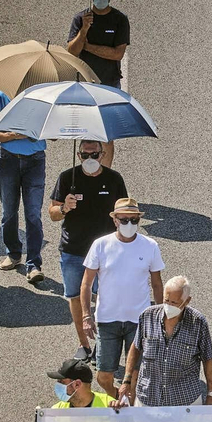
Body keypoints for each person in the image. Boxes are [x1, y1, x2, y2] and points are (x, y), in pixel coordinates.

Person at [49, 141, 128, 361]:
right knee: (75, 297)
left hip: (106, 252)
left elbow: (124, 212)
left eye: (94, 155)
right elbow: (52, 213)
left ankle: (103, 345)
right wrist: (64, 207)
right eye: (85, 155)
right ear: (78, 155)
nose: (90, 159)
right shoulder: (67, 178)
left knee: (106, 298)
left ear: (103, 154)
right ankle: (84, 345)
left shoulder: (114, 179)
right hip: (74, 249)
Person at [81, 198, 164, 398]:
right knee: (103, 377)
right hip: (107, 320)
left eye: (134, 220)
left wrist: (160, 315)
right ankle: (119, 398)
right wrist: (86, 316)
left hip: (139, 321)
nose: (129, 224)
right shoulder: (100, 245)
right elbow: (86, 283)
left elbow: (157, 284)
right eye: (125, 220)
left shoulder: (150, 246)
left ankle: (128, 409)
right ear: (115, 220)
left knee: (135, 376)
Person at [119, 275, 212, 407]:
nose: (168, 306)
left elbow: (207, 359)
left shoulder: (198, 322)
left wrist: (211, 394)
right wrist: (127, 380)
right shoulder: (147, 316)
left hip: (184, 401)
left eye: (174, 303)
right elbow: (135, 348)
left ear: (187, 301)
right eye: (166, 300)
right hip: (148, 398)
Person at [0, 89, 48, 283]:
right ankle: (13, 253)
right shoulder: (2, 97)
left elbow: (53, 135)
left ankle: (34, 264)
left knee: (33, 214)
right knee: (8, 212)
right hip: (8, 161)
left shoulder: (43, 99)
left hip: (35, 161)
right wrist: (14, 135)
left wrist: (40, 130)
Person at [67, 0, 129, 91]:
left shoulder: (120, 19)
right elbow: (72, 52)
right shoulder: (80, 18)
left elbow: (118, 54)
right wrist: (84, 29)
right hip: (84, 82)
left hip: (110, 83)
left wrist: (87, 46)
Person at [50, 357, 115, 408]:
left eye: (61, 382)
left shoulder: (110, 407)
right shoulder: (57, 411)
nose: (57, 385)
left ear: (77, 384)